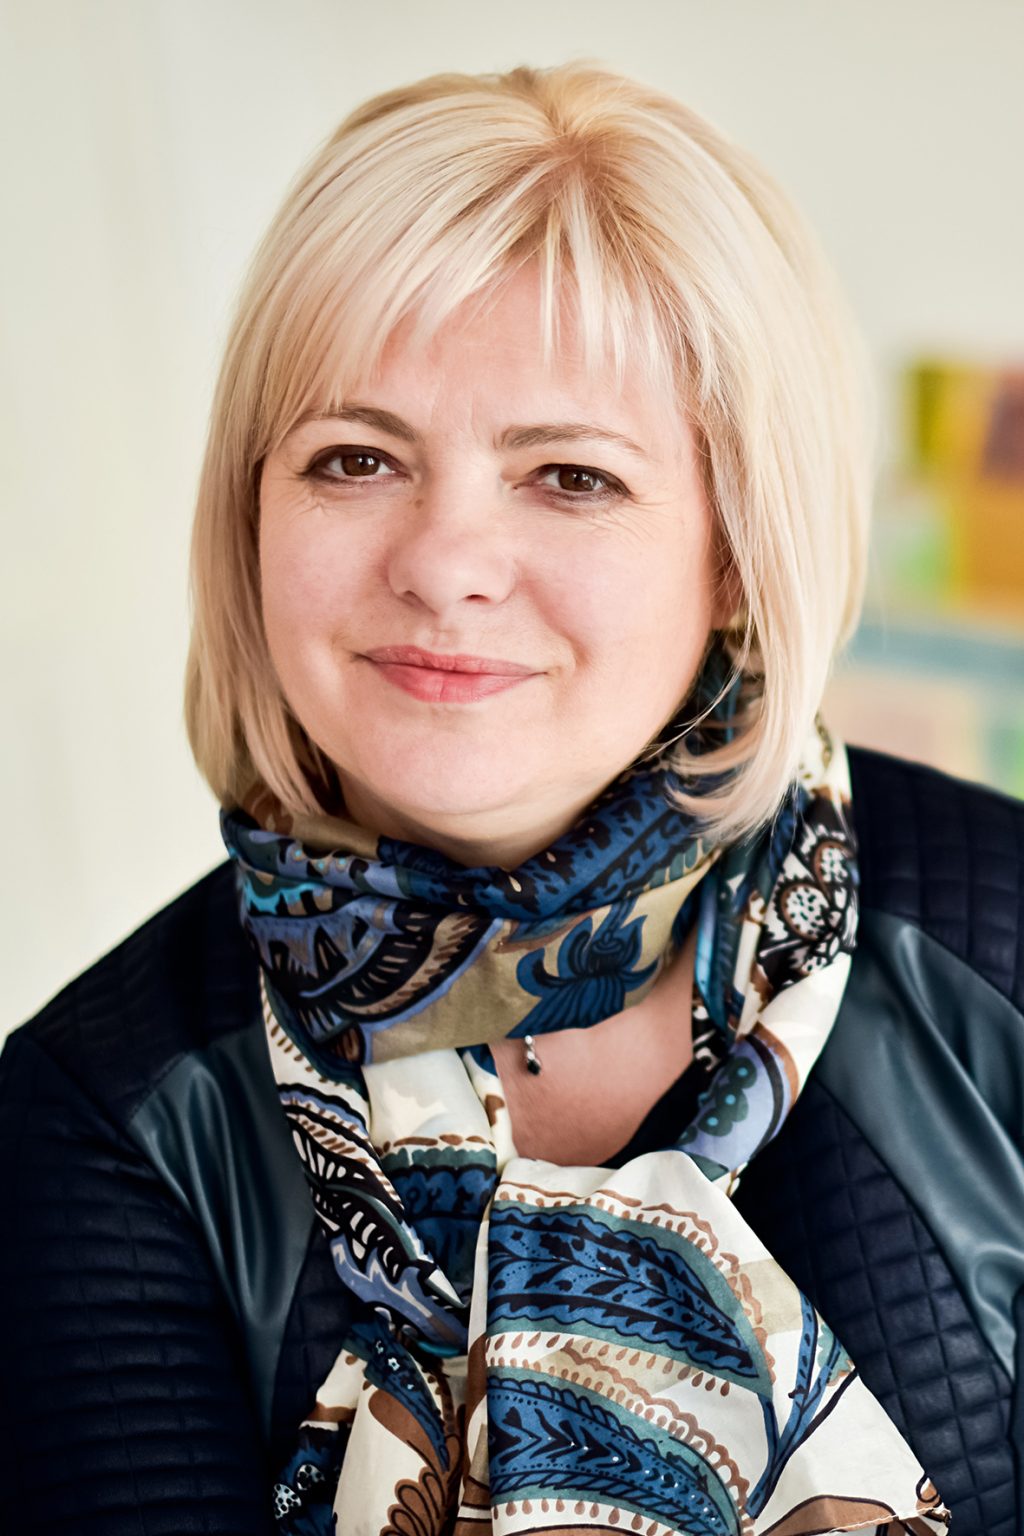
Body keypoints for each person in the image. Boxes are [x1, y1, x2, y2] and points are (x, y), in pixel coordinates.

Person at [1, 62, 1020, 1536]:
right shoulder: (101, 1122)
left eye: (570, 478)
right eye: (357, 459)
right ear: (251, 518)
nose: (443, 563)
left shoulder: (1002, 947)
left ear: (738, 550)